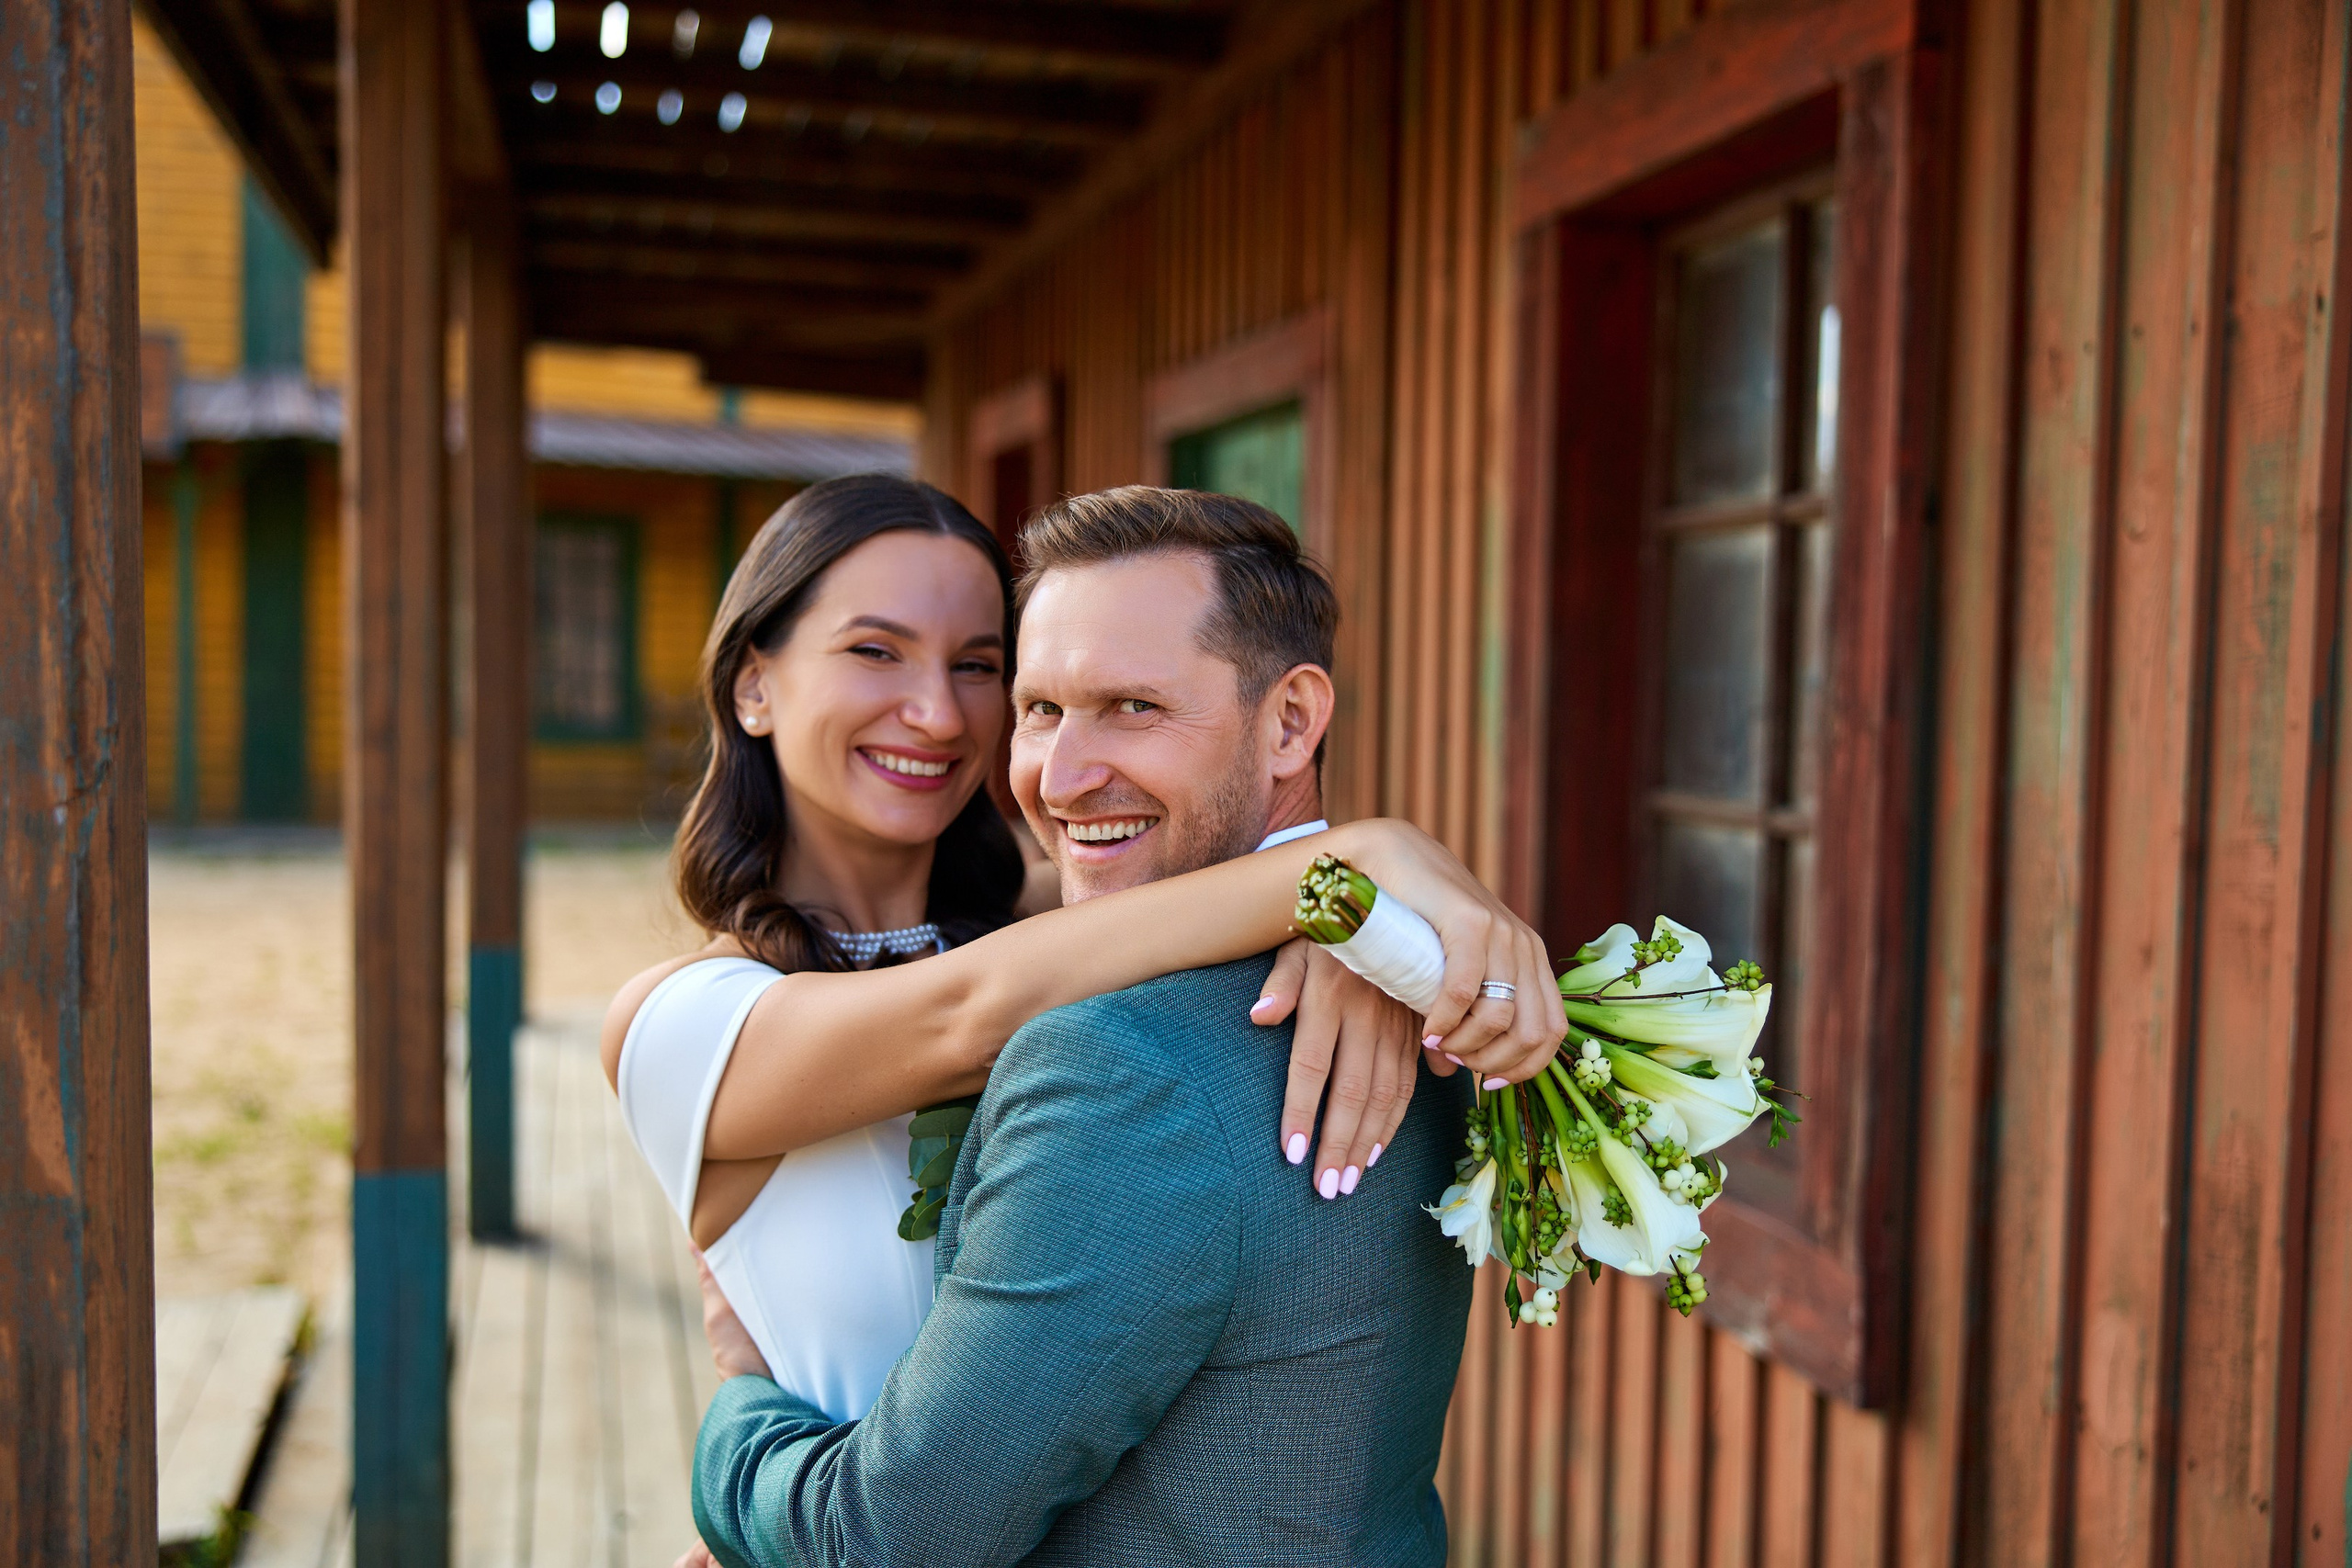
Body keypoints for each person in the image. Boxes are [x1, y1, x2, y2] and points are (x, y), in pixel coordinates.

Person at [685, 485, 1567, 1567]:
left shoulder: (1135, 1058)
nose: (1057, 780)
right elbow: (977, 994)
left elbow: (890, 1539)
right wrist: (1363, 870)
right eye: (1041, 708)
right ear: (751, 685)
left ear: (1290, 720)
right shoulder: (1382, 985)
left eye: (1132, 709)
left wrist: (739, 1412)